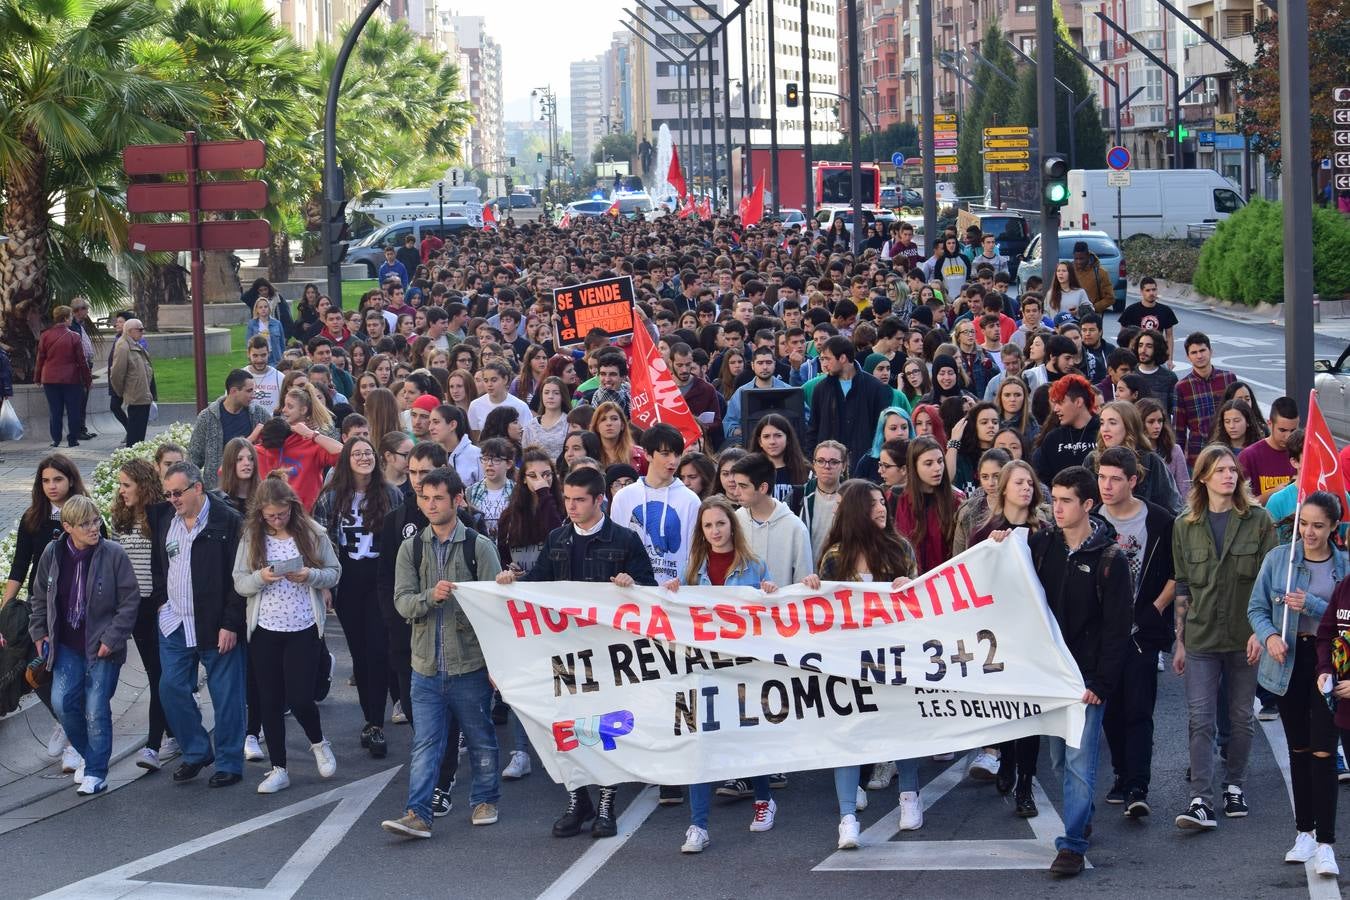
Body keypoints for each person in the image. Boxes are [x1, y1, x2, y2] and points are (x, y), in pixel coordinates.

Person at [495, 466, 656, 839]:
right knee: (566, 725)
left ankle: (606, 804)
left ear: (600, 500)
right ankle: (577, 798)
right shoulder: (557, 538)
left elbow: (650, 590)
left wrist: (632, 584)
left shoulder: (626, 540)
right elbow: (539, 587)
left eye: (579, 499)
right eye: (567, 498)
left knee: (604, 727)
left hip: (608, 653)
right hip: (565, 652)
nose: (571, 506)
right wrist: (512, 581)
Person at [992, 466, 1132, 877]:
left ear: (1088, 504)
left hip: (1084, 680)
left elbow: (1117, 628)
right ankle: (1081, 813)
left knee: (1078, 761)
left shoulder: (1110, 558)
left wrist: (1101, 683)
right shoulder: (1042, 544)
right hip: (1048, 674)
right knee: (1058, 760)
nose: (1057, 508)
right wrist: (1000, 543)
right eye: (1053, 499)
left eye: (1066, 500)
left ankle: (1071, 844)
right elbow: (1007, 577)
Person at [382, 467, 505, 839]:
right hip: (426, 666)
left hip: (469, 664)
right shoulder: (411, 547)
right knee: (425, 744)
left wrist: (495, 664)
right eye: (424, 497)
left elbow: (495, 609)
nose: (430, 505)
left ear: (456, 500)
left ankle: (485, 798)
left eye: (438, 497)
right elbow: (402, 602)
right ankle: (417, 813)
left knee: (481, 736)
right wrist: (428, 597)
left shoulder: (479, 547)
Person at [805, 480, 921, 849]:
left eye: (882, 501)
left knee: (903, 728)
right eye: (872, 504)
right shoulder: (835, 557)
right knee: (848, 736)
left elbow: (924, 602)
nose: (881, 508)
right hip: (848, 661)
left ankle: (910, 797)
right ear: (856, 510)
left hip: (894, 658)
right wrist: (811, 586)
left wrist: (909, 585)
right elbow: (822, 608)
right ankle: (847, 818)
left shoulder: (900, 548)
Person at [663, 496, 781, 853]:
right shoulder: (693, 567)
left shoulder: (755, 566)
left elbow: (773, 611)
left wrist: (771, 593)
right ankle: (698, 825)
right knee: (701, 742)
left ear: (732, 525)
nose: (714, 531)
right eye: (708, 526)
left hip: (745, 666)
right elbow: (680, 611)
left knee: (748, 737)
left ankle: (764, 799)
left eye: (720, 524)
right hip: (705, 666)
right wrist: (673, 591)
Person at [1172, 444, 1277, 829]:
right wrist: (1179, 640)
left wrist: (1262, 633)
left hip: (1244, 635)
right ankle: (1200, 798)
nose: (1229, 476)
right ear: (1203, 477)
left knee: (1240, 718)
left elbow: (1269, 583)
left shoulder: (1259, 520)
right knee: (1200, 719)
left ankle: (1236, 785)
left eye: (1232, 469)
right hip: (1201, 637)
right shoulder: (1185, 525)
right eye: (1219, 470)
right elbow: (1183, 585)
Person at [1248, 492, 1346, 876]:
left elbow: (1343, 617)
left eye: (1318, 526)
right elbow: (1256, 607)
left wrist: (1312, 605)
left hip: (1328, 664)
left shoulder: (1344, 567)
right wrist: (1268, 634)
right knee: (1299, 749)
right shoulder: (1278, 560)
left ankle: (1326, 843)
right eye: (1304, 523)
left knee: (1324, 752)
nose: (1308, 532)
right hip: (1287, 661)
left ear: (1335, 527)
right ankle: (1303, 832)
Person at [232, 475, 342, 793]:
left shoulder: (311, 533)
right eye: (270, 516)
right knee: (269, 701)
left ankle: (319, 742)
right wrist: (261, 577)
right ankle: (279, 768)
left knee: (300, 698)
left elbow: (334, 572)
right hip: (265, 628)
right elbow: (240, 582)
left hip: (303, 627)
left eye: (282, 514)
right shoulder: (252, 537)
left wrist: (310, 574)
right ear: (260, 514)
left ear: (292, 508)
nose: (277, 520)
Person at [28, 495, 140, 796]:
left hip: (102, 647)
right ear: (68, 527)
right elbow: (39, 597)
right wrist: (40, 632)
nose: (94, 528)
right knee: (63, 703)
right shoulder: (53, 554)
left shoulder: (113, 554)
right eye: (86, 524)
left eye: (96, 521)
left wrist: (111, 638)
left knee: (95, 708)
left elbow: (129, 602)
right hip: (66, 645)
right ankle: (91, 757)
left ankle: (96, 772)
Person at [150, 461, 247, 788]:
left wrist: (232, 623)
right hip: (175, 622)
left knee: (226, 696)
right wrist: (163, 599)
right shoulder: (167, 519)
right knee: (170, 688)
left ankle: (230, 763)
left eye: (178, 493)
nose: (173, 499)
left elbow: (240, 579)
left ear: (198, 488)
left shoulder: (228, 521)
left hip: (216, 625)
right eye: (168, 494)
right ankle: (195, 752)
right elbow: (160, 565)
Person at [1095, 447, 1176, 818]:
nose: (1106, 486)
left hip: (1143, 630)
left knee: (1139, 709)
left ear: (1132, 481)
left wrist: (1155, 608)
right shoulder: (1094, 520)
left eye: (1114, 479)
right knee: (1110, 709)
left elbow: (1178, 574)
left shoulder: (1159, 521)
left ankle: (1138, 785)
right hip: (1103, 633)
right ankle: (1121, 774)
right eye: (1101, 477)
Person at [313, 436, 404, 760]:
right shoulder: (331, 497)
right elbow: (319, 544)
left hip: (381, 580)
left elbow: (401, 543)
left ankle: (375, 722)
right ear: (347, 460)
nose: (364, 457)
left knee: (379, 650)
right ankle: (369, 717)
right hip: (348, 580)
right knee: (360, 653)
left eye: (368, 453)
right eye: (357, 453)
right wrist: (324, 585)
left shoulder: (391, 494)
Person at [108, 459, 180, 772]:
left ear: (142, 484)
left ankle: (154, 745)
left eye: (127, 484)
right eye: (120, 485)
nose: (121, 491)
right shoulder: (120, 518)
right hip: (135, 608)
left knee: (164, 676)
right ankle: (172, 733)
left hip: (161, 605)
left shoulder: (163, 514)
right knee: (158, 675)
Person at [608, 424, 703, 585]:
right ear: (647, 454)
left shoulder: (691, 501)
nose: (673, 461)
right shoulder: (623, 497)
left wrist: (683, 582)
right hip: (631, 592)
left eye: (677, 454)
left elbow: (695, 554)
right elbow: (614, 548)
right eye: (665, 454)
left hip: (674, 594)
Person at [728, 453, 815, 586]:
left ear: (763, 488)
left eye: (743, 486)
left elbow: (803, 583)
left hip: (780, 606)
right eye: (736, 485)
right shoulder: (735, 520)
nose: (736, 492)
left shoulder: (795, 528)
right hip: (742, 605)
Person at [806, 335, 893, 464]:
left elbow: (881, 430)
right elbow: (813, 429)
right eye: (821, 359)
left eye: (827, 359)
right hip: (829, 465)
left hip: (865, 465)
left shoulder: (876, 388)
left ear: (842, 358)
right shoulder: (821, 389)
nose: (823, 364)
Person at [189, 369, 273, 492]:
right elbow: (194, 457)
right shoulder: (207, 417)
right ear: (234, 391)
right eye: (249, 391)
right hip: (218, 491)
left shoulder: (259, 414)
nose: (253, 395)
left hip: (252, 491)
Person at [895, 436, 962, 572]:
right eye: (928, 463)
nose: (937, 468)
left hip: (945, 581)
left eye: (940, 461)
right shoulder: (895, 497)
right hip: (906, 581)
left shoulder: (957, 500)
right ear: (914, 466)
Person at [1175, 332, 1236, 466]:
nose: (1199, 356)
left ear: (1210, 351)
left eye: (1202, 350)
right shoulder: (1182, 387)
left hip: (1228, 448)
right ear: (1188, 357)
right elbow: (1179, 428)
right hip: (1198, 452)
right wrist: (1178, 459)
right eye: (1194, 352)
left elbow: (1241, 412)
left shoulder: (1228, 378)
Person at [34, 305, 92, 448]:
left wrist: (37, 377)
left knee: (55, 410)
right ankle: (72, 439)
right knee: (73, 410)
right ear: (66, 318)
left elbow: (40, 358)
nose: (71, 319)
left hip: (50, 378)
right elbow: (82, 361)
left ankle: (56, 439)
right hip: (70, 379)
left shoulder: (45, 335)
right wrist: (87, 379)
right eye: (71, 317)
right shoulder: (74, 336)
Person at [1034, 374, 1100, 484]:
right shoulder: (1052, 438)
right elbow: (1043, 480)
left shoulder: (1104, 432)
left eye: (1061, 402)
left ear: (1078, 402)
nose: (1056, 409)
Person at [1238, 395, 1300, 504]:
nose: (1288, 436)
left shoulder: (1304, 454)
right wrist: (1273, 493)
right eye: (1282, 430)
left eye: (1293, 430)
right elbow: (1240, 505)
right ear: (1270, 424)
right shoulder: (1249, 456)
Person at [725, 346, 791, 445]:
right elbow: (728, 423)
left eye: (768, 362)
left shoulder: (788, 391)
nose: (764, 367)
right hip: (750, 446)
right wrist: (742, 432)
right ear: (752, 365)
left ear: (775, 364)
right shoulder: (741, 393)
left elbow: (804, 419)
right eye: (760, 363)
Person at [107, 318, 154, 446]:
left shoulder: (135, 343)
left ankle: (137, 458)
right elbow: (116, 374)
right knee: (135, 435)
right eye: (140, 329)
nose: (142, 332)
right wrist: (122, 392)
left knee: (139, 434)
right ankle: (134, 461)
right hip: (135, 395)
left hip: (142, 394)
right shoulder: (123, 346)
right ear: (129, 331)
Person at [1117, 276, 1178, 354]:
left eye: (1154, 290)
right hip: (1135, 355)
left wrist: (1169, 359)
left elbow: (1169, 337)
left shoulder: (1166, 311)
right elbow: (1122, 337)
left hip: (1157, 355)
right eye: (1148, 290)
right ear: (1141, 292)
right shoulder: (1130, 310)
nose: (1151, 293)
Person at [1070, 241, 1116, 314]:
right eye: (1076, 259)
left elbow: (1110, 298)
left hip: (1092, 318)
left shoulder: (1100, 273)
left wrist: (1092, 308)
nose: (1078, 262)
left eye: (1081, 259)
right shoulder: (1068, 271)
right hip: (1071, 317)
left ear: (1088, 256)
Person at [246, 298, 286, 366]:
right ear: (257, 310)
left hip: (274, 357)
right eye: (260, 307)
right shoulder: (252, 324)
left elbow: (282, 343)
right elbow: (249, 343)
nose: (263, 309)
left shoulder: (277, 323)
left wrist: (282, 358)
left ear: (269, 308)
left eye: (265, 306)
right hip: (259, 356)